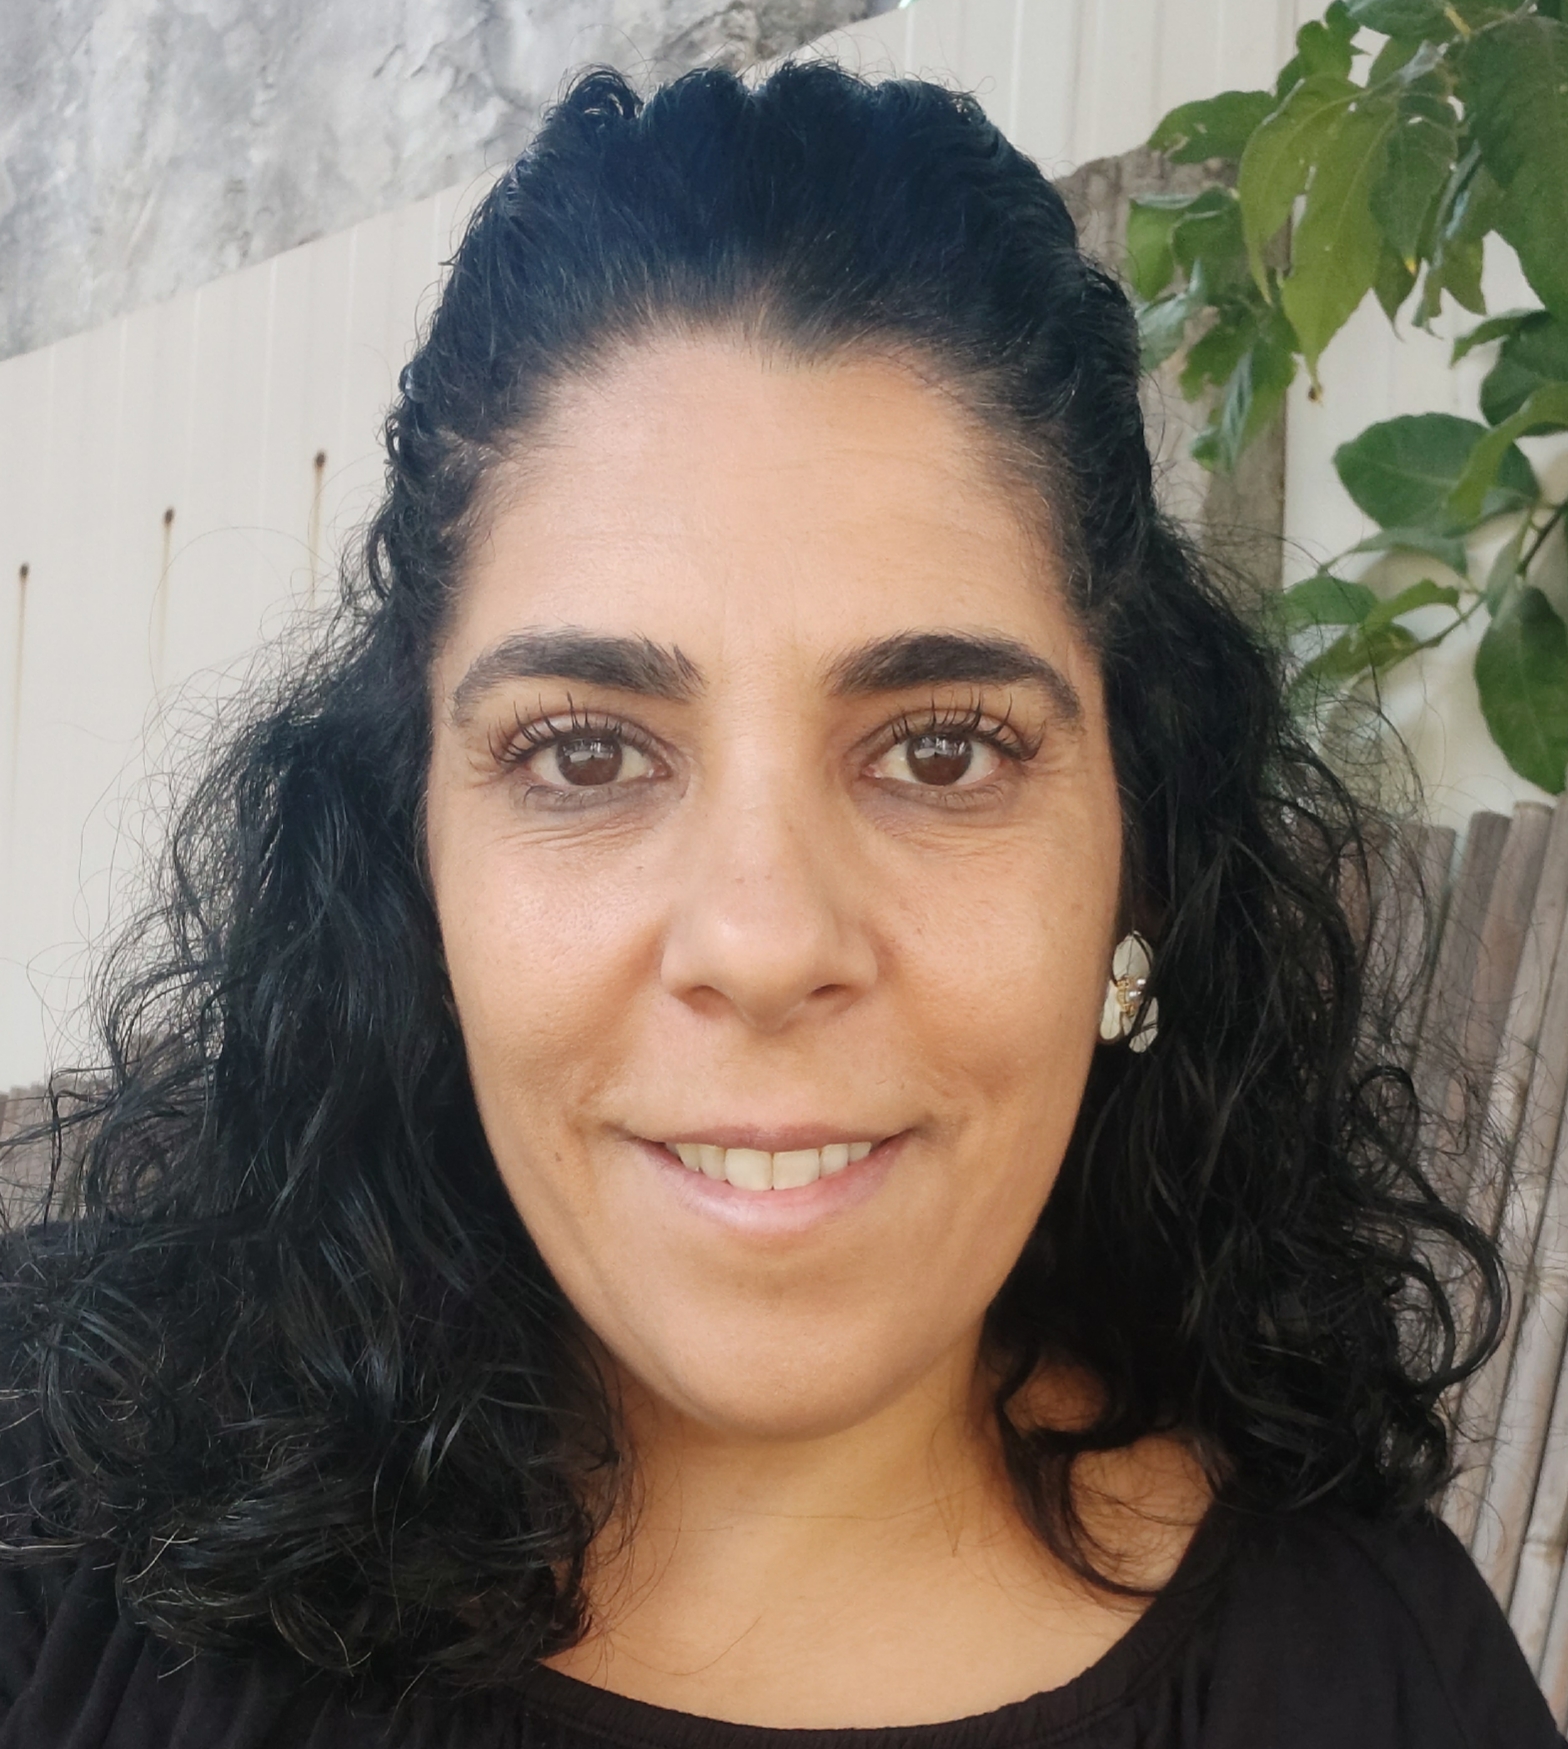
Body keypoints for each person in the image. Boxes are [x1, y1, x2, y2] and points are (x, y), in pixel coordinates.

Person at [0, 59, 1558, 1749]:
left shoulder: (1388, 1685)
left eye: (944, 749)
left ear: (1144, 857)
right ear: (409, 853)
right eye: (586, 752)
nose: (761, 942)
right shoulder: (44, 1504)